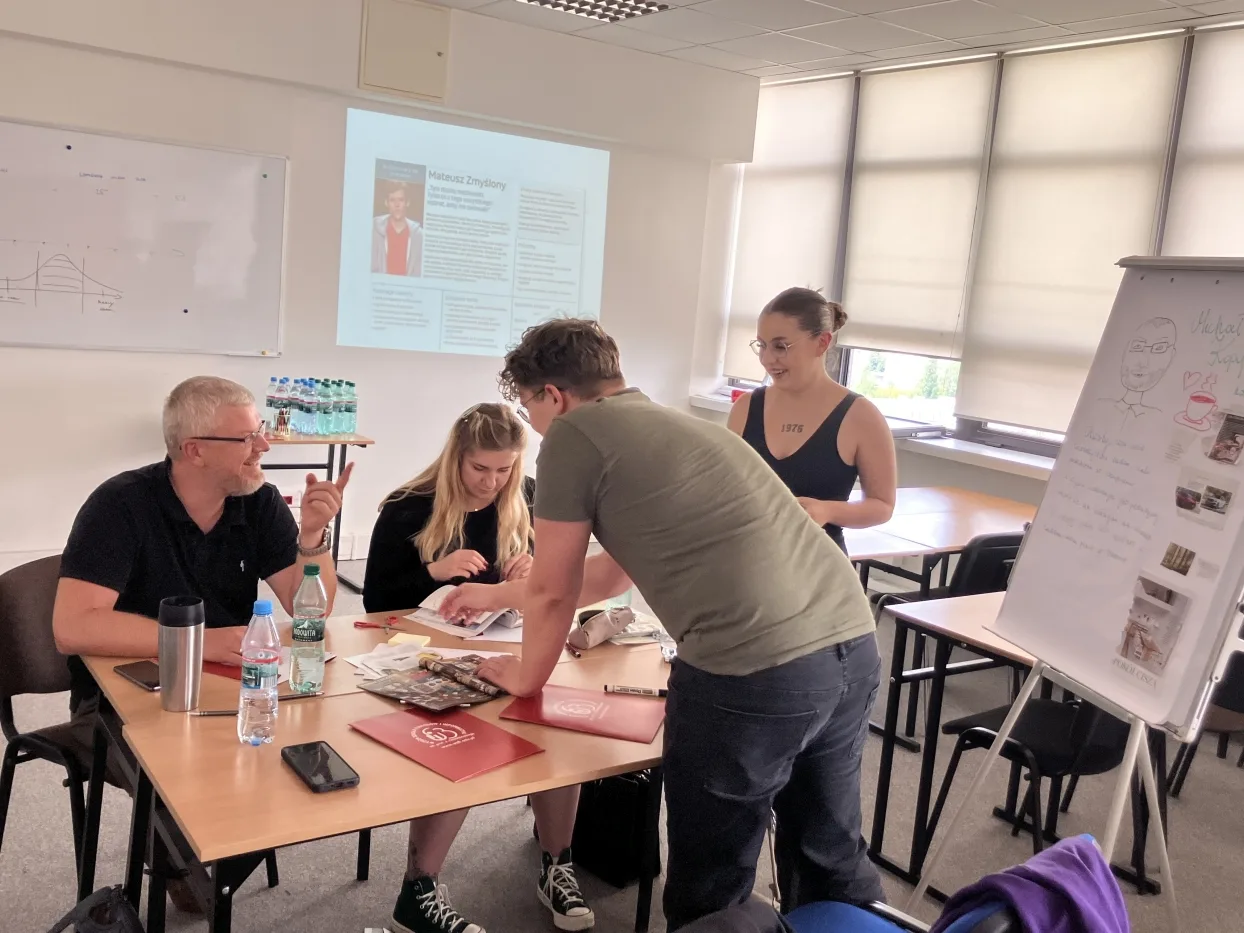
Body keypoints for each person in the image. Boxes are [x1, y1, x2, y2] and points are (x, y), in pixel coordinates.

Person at [445, 319, 886, 931]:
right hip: (851, 642)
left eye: (529, 407)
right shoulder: (678, 427)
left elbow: (554, 589)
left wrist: (524, 677)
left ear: (554, 395)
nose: (534, 424)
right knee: (827, 850)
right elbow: (608, 575)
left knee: (714, 880)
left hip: (752, 666)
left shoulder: (573, 436)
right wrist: (497, 593)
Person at [52, 375, 350, 907]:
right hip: (119, 699)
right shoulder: (120, 505)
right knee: (180, 790)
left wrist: (311, 538)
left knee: (316, 748)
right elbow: (72, 627)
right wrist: (203, 641)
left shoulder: (257, 501)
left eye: (261, 430)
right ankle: (187, 864)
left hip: (229, 683)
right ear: (195, 450)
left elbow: (312, 607)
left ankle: (205, 855)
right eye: (247, 438)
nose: (264, 445)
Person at [363, 402, 596, 933]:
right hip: (425, 654)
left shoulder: (527, 497)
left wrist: (530, 570)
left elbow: (549, 584)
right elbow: (376, 602)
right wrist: (433, 572)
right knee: (460, 738)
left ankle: (556, 863)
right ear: (456, 459)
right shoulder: (408, 506)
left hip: (502, 646)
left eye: (504, 469)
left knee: (554, 722)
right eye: (480, 468)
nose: (492, 482)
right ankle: (419, 888)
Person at [728, 288, 896, 552]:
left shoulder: (861, 417)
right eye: (762, 345)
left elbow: (882, 506)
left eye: (781, 346)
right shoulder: (745, 408)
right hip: (748, 561)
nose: (767, 359)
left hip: (818, 566)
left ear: (822, 343)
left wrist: (826, 510)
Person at [372, 182, 424, 276]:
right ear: (386, 203)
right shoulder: (374, 230)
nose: (397, 205)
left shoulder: (419, 235)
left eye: (401, 200)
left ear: (407, 202)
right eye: (392, 200)